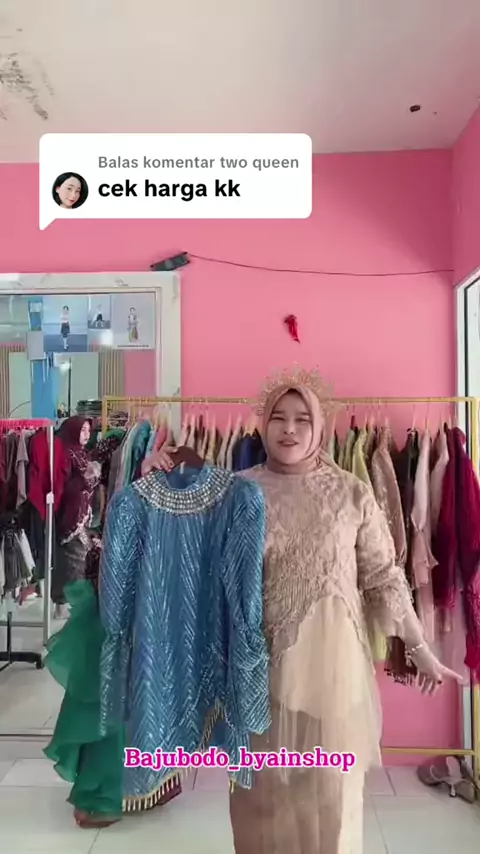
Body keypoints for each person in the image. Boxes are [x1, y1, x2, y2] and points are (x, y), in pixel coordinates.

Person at [143, 368, 462, 854]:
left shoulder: (352, 493)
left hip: (332, 677)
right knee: (260, 801)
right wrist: (156, 481)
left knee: (330, 802)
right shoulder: (233, 491)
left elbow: (383, 578)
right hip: (257, 675)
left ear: (318, 425)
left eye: (302, 419)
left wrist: (420, 649)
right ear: (263, 424)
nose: (289, 429)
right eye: (278, 417)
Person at [51, 417, 100, 619]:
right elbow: (61, 487)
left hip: (82, 515)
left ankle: (69, 604)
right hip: (69, 516)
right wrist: (85, 479)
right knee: (70, 560)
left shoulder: (83, 454)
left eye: (88, 430)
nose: (87, 435)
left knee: (80, 560)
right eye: (83, 430)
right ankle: (62, 604)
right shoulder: (64, 454)